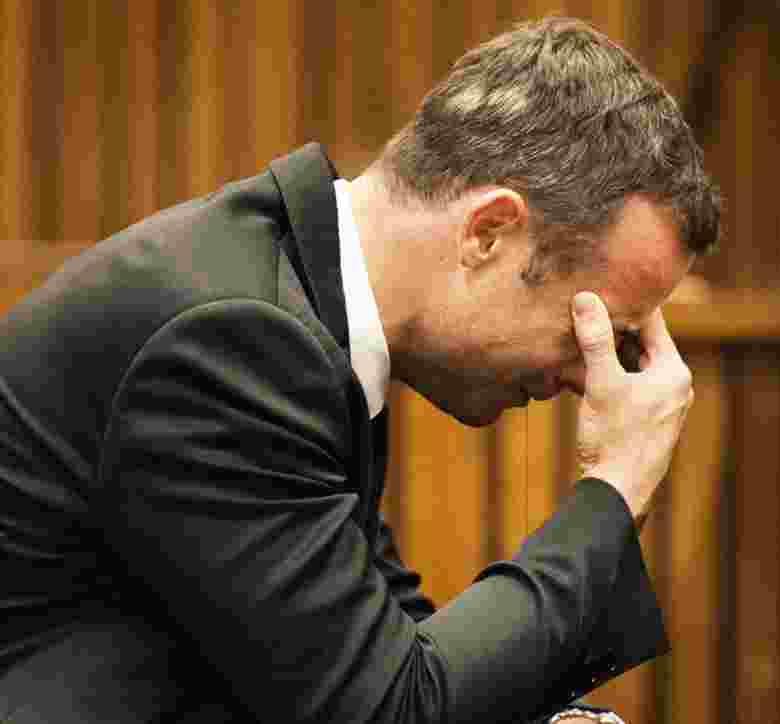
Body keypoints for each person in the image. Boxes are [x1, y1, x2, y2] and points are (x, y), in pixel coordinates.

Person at [0, 16, 720, 724]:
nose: (584, 378)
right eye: (589, 329)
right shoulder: (233, 342)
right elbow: (388, 709)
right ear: (489, 232)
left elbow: (391, 650)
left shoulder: (304, 306)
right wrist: (614, 489)